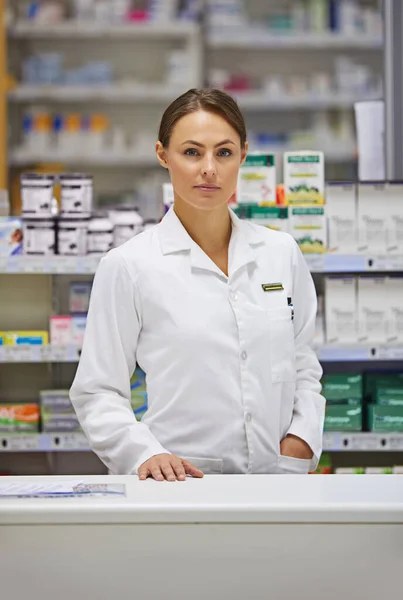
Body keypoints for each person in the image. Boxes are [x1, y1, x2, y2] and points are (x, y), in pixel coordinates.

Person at [70, 88, 325, 481]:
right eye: (191, 152)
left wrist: (301, 440)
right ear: (163, 155)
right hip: (180, 484)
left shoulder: (281, 252)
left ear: (242, 155)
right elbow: (97, 391)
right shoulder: (130, 265)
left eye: (223, 152)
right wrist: (143, 454)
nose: (209, 168)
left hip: (279, 479)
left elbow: (304, 365)